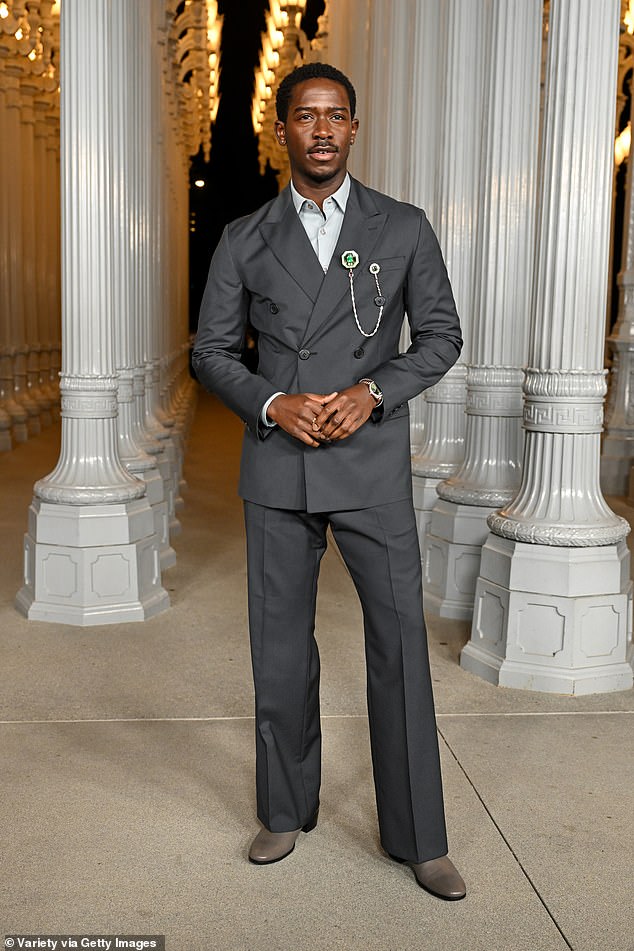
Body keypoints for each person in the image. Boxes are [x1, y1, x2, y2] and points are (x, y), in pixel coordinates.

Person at [192, 62, 465, 901]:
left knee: (400, 649)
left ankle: (419, 836)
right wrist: (271, 402)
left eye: (335, 115)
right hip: (280, 465)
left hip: (369, 462)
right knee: (280, 650)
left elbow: (442, 336)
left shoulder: (403, 226)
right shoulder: (244, 237)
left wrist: (371, 390)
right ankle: (284, 809)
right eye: (305, 115)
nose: (321, 129)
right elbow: (211, 353)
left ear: (353, 128)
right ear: (282, 130)